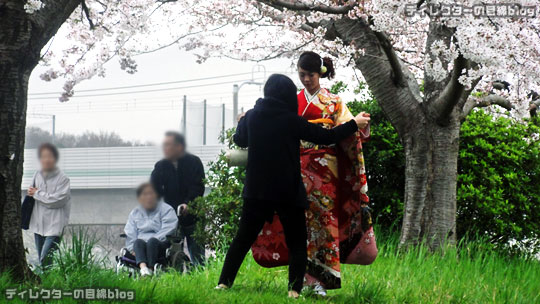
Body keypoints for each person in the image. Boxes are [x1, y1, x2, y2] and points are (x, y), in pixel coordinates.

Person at [216, 74, 370, 298]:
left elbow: (240, 141)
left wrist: (242, 121)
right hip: (287, 190)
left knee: (242, 238)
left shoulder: (252, 116)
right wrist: (353, 123)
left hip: (256, 190)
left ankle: (223, 284)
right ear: (287, 95)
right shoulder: (291, 120)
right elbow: (326, 137)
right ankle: (294, 291)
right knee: (297, 241)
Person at [252, 52, 376, 296]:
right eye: (302, 74)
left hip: (324, 169)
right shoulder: (291, 101)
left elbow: (348, 129)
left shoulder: (334, 102)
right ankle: (298, 281)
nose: (306, 79)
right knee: (297, 225)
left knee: (323, 224)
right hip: (293, 166)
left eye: (310, 75)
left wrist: (361, 125)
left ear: (320, 73)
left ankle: (321, 282)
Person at [151, 131, 206, 265]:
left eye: (169, 145)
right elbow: (155, 188)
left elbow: (198, 186)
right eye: (164, 145)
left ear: (179, 146)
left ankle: (199, 276)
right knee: (172, 253)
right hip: (171, 217)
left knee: (197, 252)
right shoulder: (161, 166)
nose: (165, 148)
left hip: (194, 215)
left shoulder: (194, 162)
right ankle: (175, 276)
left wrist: (188, 203)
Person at [27, 143, 71, 268]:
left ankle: (49, 285)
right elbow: (31, 193)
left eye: (50, 156)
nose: (46, 159)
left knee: (45, 259)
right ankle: (46, 284)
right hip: (38, 226)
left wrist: (37, 193)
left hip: (55, 226)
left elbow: (58, 201)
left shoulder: (63, 179)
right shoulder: (37, 175)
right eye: (43, 156)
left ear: (55, 159)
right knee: (43, 262)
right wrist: (34, 193)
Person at [124, 182, 178, 276]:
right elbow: (130, 231)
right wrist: (131, 249)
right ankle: (144, 269)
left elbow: (169, 228)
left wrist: (153, 239)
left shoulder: (167, 209)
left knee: (152, 241)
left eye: (151, 193)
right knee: (137, 242)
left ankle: (151, 268)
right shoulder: (135, 212)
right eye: (145, 194)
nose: (148, 197)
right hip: (140, 246)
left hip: (160, 244)